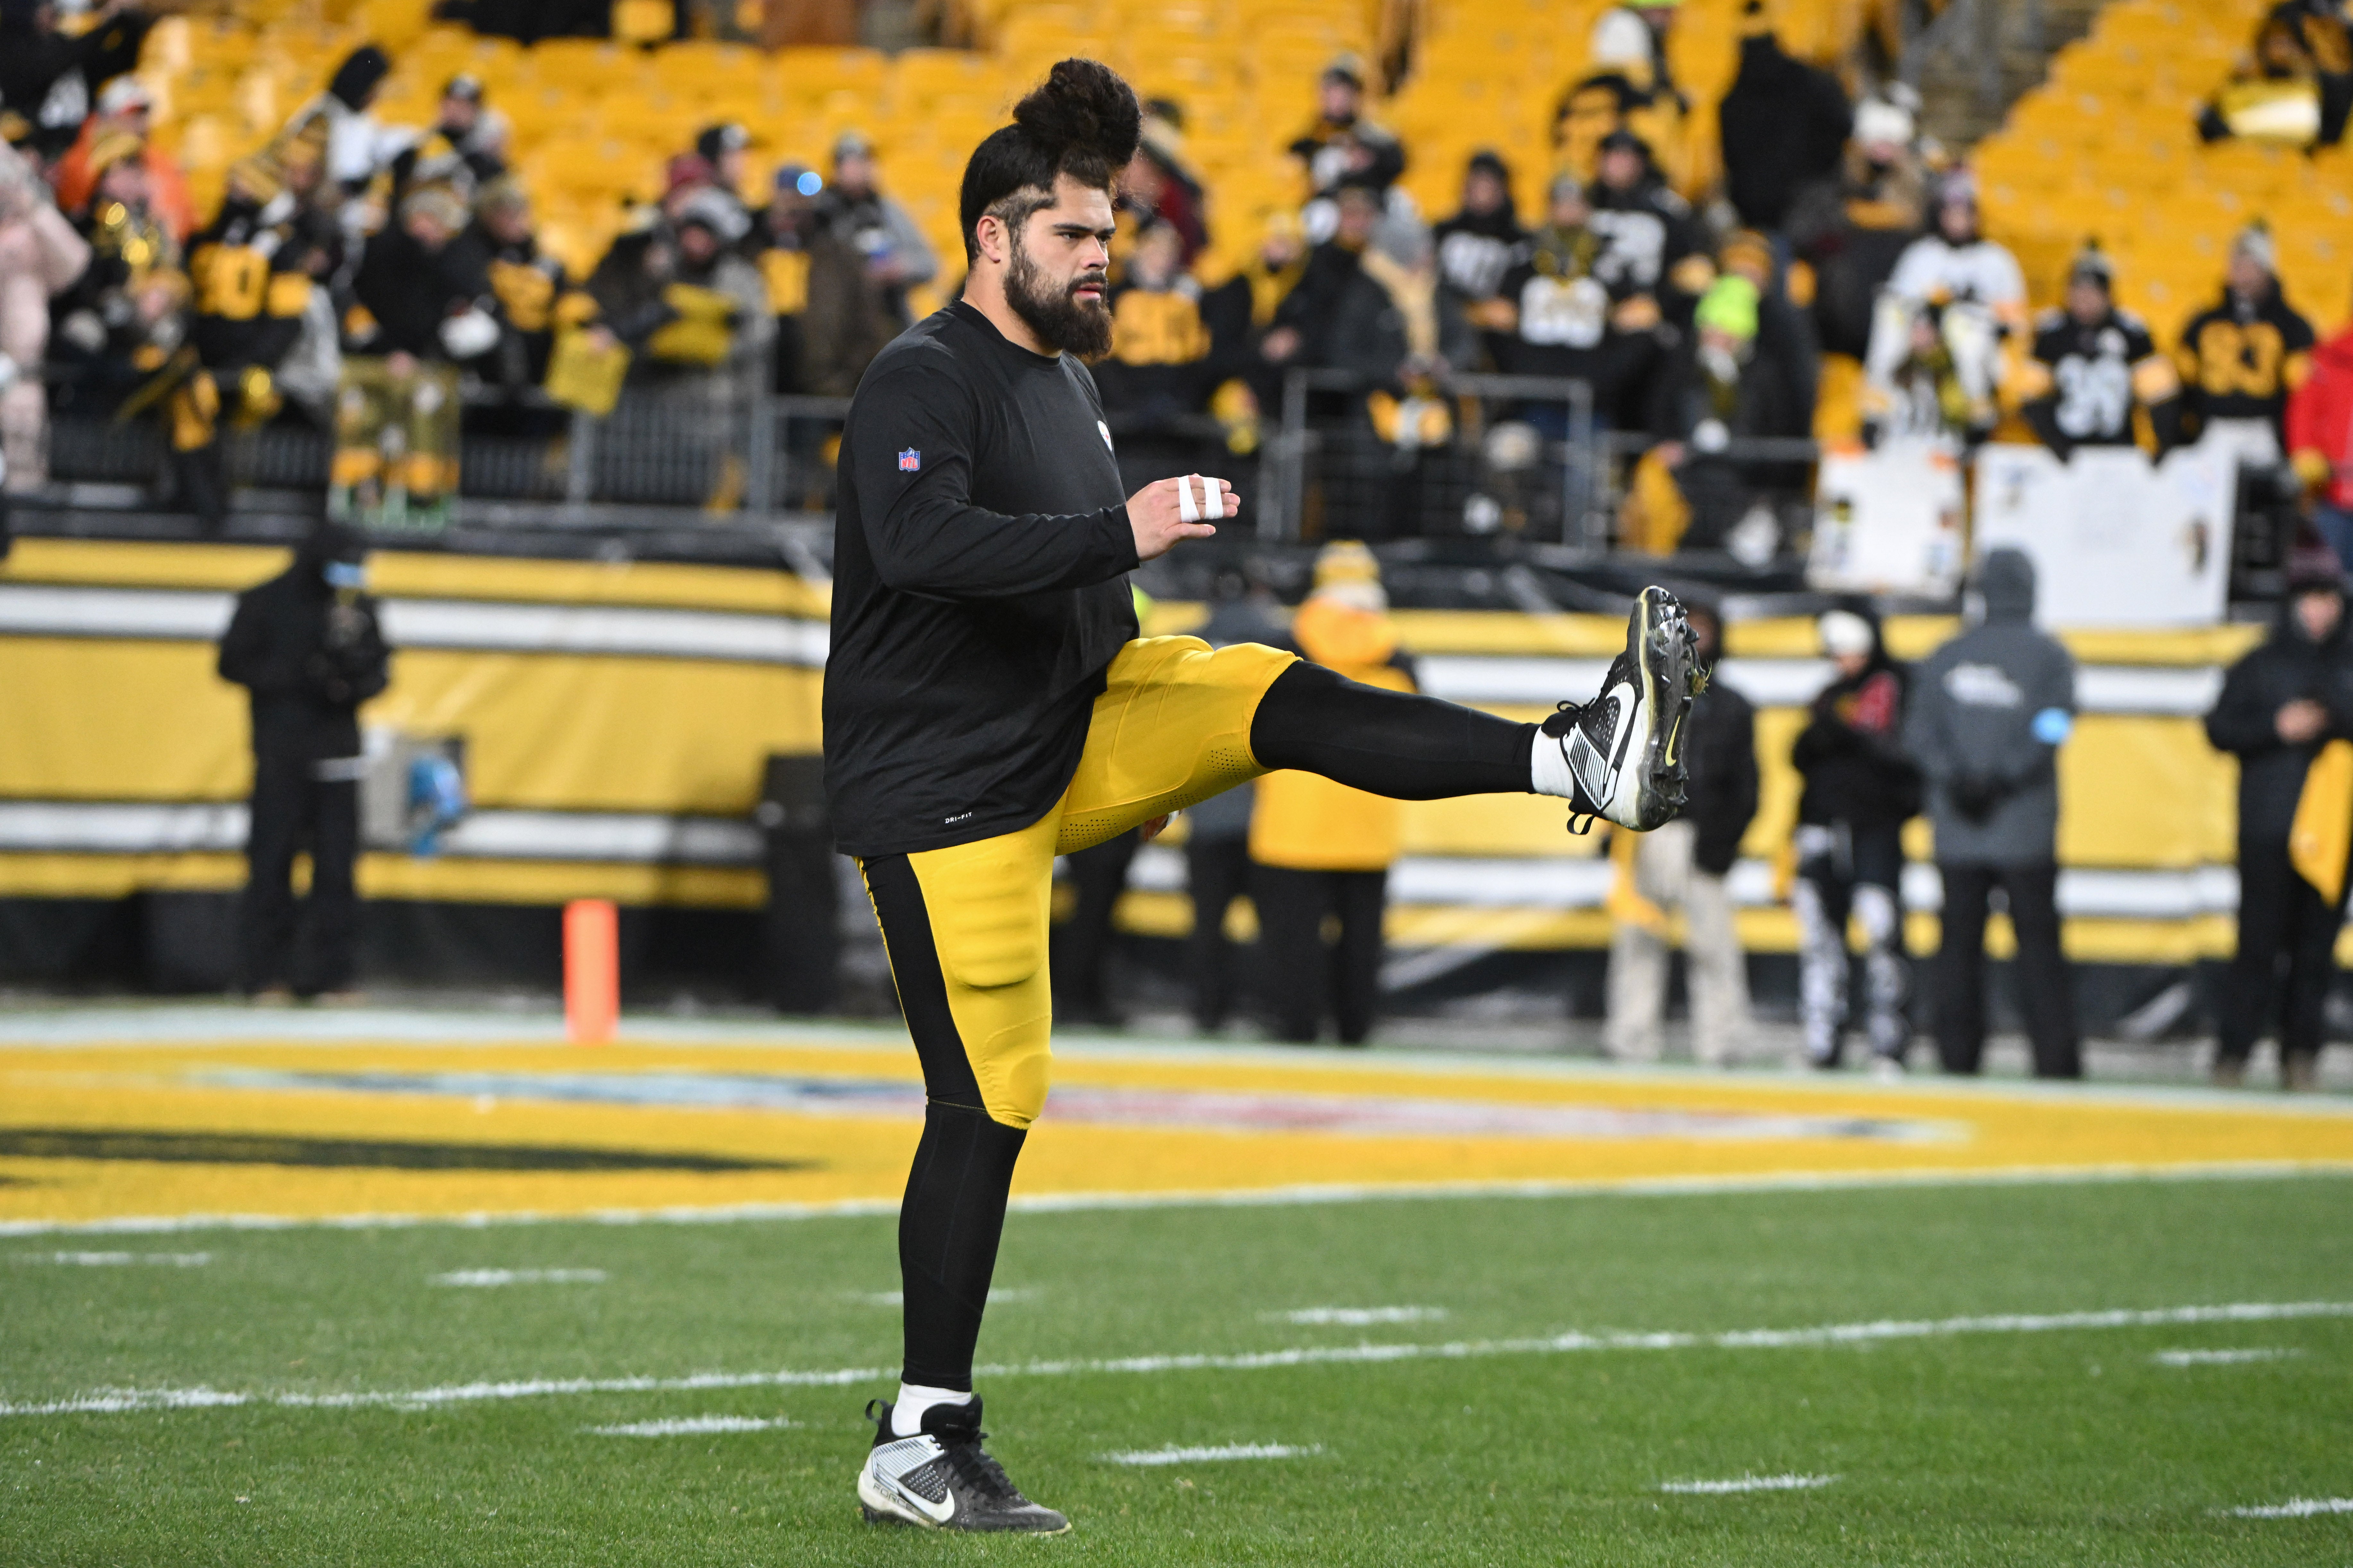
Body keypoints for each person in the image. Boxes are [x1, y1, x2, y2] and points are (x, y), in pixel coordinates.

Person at [828, 58, 1701, 1534]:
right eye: (1072, 236)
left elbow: (1082, 598)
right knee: (991, 1097)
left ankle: (1573, 755)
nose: (1104, 257)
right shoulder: (924, 372)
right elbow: (921, 546)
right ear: (993, 237)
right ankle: (921, 1436)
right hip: (944, 784)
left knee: (1260, 693)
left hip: (1064, 728)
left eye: (1111, 234)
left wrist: (1156, 757)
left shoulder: (1066, 378)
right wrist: (1129, 527)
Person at [1903, 548, 2081, 1079]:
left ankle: (1957, 1059)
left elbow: (1918, 734)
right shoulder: (2051, 657)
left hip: (1957, 829)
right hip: (2025, 829)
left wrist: (1957, 777)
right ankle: (2054, 1062)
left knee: (1957, 949)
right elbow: (2056, 726)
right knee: (2039, 952)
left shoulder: (1945, 655)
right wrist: (2006, 775)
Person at [1249, 543, 1416, 1046]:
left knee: (1292, 940)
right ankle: (1355, 1028)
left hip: (1293, 820)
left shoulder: (1283, 647)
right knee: (1362, 940)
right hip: (1370, 821)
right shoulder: (1399, 656)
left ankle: (1295, 1027)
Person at [217, 522, 390, 1002]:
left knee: (337, 871)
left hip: (338, 756)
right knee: (270, 866)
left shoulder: (357, 609)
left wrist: (347, 677)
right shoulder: (267, 600)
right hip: (283, 755)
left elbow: (379, 672)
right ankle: (264, 976)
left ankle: (333, 976)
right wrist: (297, 676)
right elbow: (232, 663)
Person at [2203, 551, 2353, 1090]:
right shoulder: (2261, 662)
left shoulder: (2344, 663)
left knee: (2314, 952)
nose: (2318, 612)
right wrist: (2276, 727)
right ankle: (2233, 1054)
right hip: (2268, 827)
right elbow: (2219, 729)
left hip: (2333, 834)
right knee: (2257, 947)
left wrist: (2328, 715)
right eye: (2309, 600)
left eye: (2327, 601)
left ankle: (2301, 1056)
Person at [1606, 597, 1758, 1064]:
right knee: (1638, 942)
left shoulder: (1732, 707)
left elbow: (1747, 784)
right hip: (1648, 832)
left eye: (1703, 628)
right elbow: (1615, 766)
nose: (1694, 637)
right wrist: (1612, 832)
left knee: (1712, 945)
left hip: (1700, 834)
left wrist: (1723, 841)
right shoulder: (1641, 695)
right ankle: (1630, 1039)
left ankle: (1724, 1042)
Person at [1790, 608, 1919, 1072]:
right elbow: (1802, 757)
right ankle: (1823, 1043)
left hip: (1874, 832)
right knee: (1820, 939)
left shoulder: (1897, 688)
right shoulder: (1829, 697)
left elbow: (1907, 762)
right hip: (1824, 828)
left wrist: (1859, 741)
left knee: (1881, 929)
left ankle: (1889, 1046)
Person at [1183, 564, 1281, 1033]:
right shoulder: (1282, 643)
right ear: (1259, 592)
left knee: (1208, 923)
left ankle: (1209, 1010)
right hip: (1269, 815)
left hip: (1206, 810)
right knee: (1277, 923)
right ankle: (1271, 1006)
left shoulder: (1186, 646)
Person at [2015, 244, 2184, 460]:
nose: (2083, 298)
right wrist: (2057, 446)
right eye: (2077, 290)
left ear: (2107, 295)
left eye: (2091, 291)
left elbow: (2162, 395)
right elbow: (2031, 397)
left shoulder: (2132, 332)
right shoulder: (2050, 333)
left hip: (2118, 452)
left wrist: (2163, 448)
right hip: (2065, 452)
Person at [2174, 222, 2317, 467]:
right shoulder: (2204, 322)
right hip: (2214, 428)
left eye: (2251, 265)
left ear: (2267, 270)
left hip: (2265, 430)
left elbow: (2304, 391)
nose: (2243, 273)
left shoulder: (2292, 325)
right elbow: (2183, 380)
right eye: (2237, 264)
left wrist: (2290, 441)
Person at [0, 134, 91, 494]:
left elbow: (75, 266)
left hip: (22, 373)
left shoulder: (31, 227)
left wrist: (33, 208)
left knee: (23, 475)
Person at [754, 163, 892, 398]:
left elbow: (868, 322)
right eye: (782, 211)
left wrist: (843, 379)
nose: (789, 219)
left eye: (797, 211)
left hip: (823, 391)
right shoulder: (752, 253)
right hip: (761, 389)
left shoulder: (839, 259)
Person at [1716, 0, 1850, 237]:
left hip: (1756, 203)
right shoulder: (1811, 82)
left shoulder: (1733, 96)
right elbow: (1841, 125)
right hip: (1804, 197)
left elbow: (1731, 154)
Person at [819, 130, 939, 327]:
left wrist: (900, 267)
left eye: (862, 161)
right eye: (850, 163)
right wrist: (861, 275)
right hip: (841, 323)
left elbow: (929, 264)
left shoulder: (888, 211)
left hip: (889, 317)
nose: (857, 170)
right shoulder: (824, 214)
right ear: (836, 169)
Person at [2289, 296, 2353, 567]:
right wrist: (2305, 453)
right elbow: (2306, 408)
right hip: (2332, 492)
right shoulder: (2331, 353)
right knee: (2330, 583)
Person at [1431, 150, 1526, 315]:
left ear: (1503, 190)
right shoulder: (1442, 232)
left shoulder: (1519, 241)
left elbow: (1509, 308)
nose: (1481, 191)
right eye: (1476, 183)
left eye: (1488, 184)